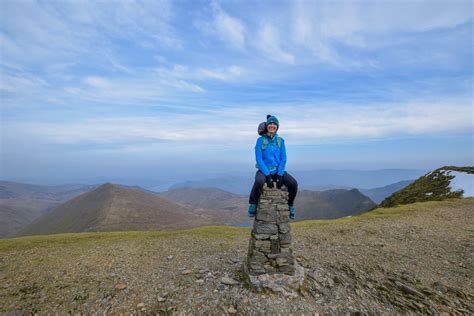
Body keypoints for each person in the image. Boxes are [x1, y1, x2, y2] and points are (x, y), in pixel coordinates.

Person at [248, 115, 298, 220]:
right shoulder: (260, 141)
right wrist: (267, 175)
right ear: (267, 126)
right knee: (259, 182)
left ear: (277, 127)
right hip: (263, 170)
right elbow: (259, 159)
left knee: (293, 184)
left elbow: (283, 159)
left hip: (277, 170)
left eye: (274, 124)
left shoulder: (280, 141)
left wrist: (279, 174)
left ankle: (290, 205)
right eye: (270, 124)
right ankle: (253, 203)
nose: (272, 125)